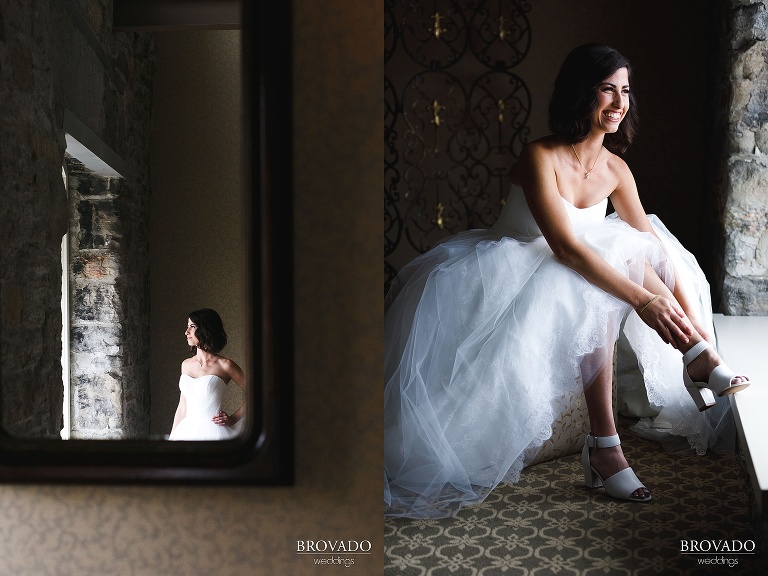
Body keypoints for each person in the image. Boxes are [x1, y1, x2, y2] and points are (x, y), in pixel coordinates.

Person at [384, 43, 750, 518]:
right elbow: (565, 248)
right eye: (606, 90)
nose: (619, 103)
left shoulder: (616, 168)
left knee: (645, 244)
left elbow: (654, 253)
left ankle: (687, 366)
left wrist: (691, 327)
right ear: (583, 94)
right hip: (514, 272)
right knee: (598, 267)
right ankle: (611, 439)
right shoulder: (541, 155)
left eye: (625, 91)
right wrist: (643, 301)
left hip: (580, 277)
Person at [169, 308, 246, 440]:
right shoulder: (186, 365)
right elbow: (182, 407)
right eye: (187, 327)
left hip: (214, 433)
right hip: (186, 432)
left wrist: (233, 419)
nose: (186, 332)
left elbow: (258, 394)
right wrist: (171, 438)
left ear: (205, 329)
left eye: (192, 327)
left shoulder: (225, 365)